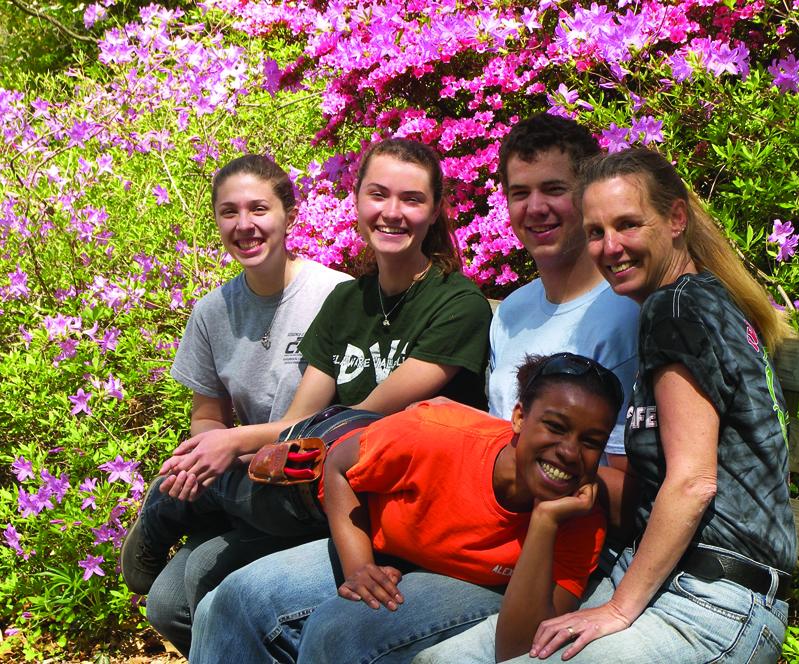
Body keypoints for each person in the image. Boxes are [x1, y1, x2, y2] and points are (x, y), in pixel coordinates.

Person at [417, 148, 797, 663]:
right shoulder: (687, 301)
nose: (610, 247)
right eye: (596, 232)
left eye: (628, 225)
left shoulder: (677, 310)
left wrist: (617, 611)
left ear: (676, 218)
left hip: (712, 602)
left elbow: (693, 481)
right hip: (663, 577)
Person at [128, 139, 492, 655]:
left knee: (220, 597)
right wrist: (238, 446)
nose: (392, 212)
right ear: (357, 201)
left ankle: (170, 504)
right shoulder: (349, 301)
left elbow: (368, 414)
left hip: (388, 500)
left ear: (435, 211)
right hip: (327, 485)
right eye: (378, 195)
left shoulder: (458, 304)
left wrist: (232, 443)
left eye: (411, 199)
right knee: (178, 599)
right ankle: (184, 499)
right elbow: (303, 420)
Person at [188, 353, 624, 663]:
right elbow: (339, 464)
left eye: (590, 442)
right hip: (391, 551)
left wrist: (545, 521)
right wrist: (358, 564)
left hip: (484, 588)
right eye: (555, 426)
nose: (569, 452)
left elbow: (520, 645)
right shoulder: (435, 433)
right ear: (517, 418)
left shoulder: (579, 515)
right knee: (237, 598)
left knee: (339, 632)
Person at [137, 154, 352, 654]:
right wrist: (203, 455)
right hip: (244, 479)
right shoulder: (213, 311)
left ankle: (163, 512)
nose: (244, 225)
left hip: (306, 486)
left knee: (197, 584)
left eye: (259, 209)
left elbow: (330, 420)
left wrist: (225, 449)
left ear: (289, 214)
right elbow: (208, 415)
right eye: (229, 212)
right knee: (165, 605)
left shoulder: (333, 295)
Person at [488, 113, 639, 467]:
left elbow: (629, 482)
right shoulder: (510, 312)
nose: (536, 208)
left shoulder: (624, 312)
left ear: (588, 194)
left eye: (554, 189)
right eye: (520, 193)